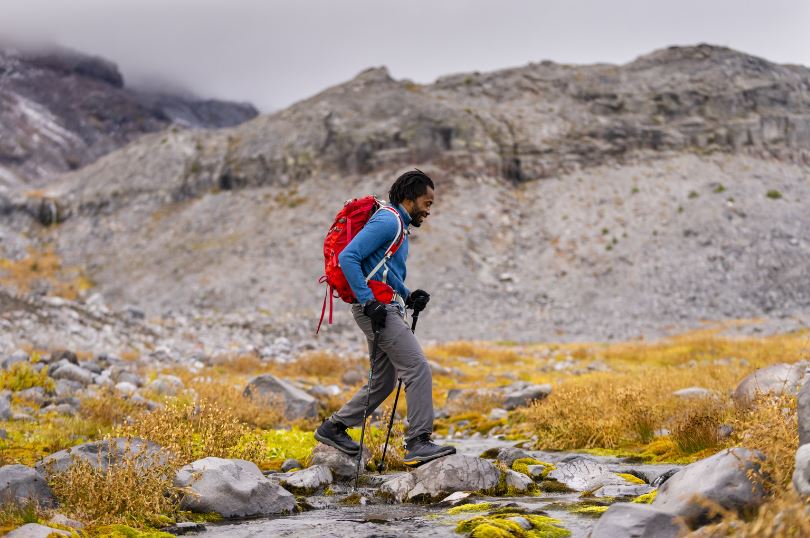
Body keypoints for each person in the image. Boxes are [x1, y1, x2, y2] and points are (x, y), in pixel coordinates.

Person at [314, 169, 456, 466]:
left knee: (384, 379)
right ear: (409, 198)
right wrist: (368, 303)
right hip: (378, 309)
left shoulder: (398, 225)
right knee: (417, 368)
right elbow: (348, 257)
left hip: (382, 306)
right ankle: (418, 441)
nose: (429, 211)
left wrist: (407, 294)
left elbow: (382, 269)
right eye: (427, 203)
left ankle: (334, 427)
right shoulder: (389, 220)